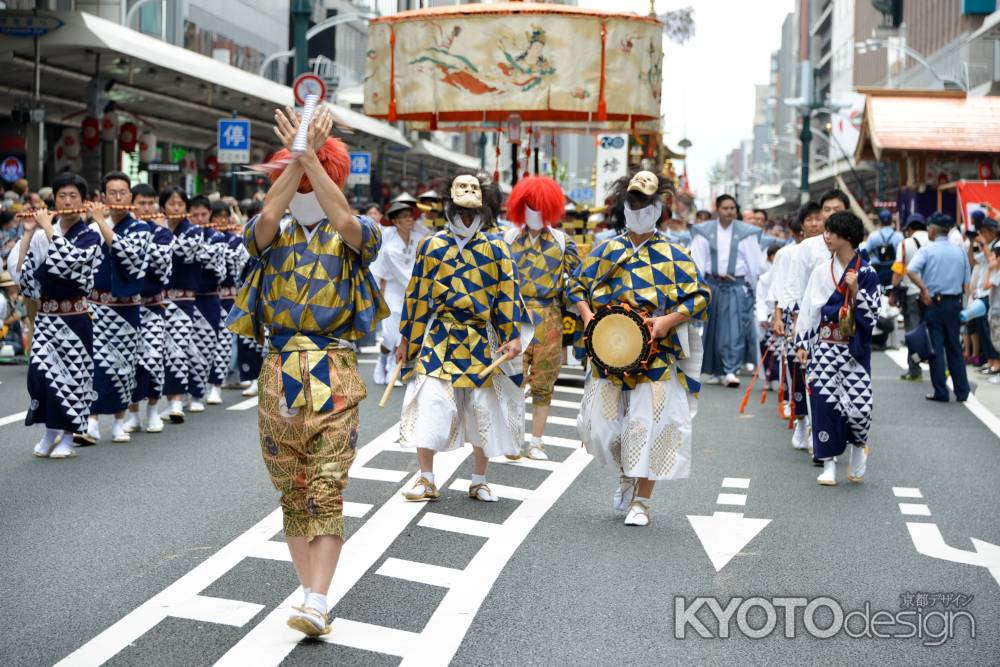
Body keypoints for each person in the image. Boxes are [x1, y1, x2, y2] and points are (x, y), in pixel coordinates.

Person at [225, 105, 386, 638]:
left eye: (312, 176)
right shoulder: (270, 232)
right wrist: (296, 157)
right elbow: (266, 218)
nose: (298, 189)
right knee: (292, 489)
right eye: (293, 178)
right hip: (278, 370)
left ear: (329, 178)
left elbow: (343, 220)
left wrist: (312, 156)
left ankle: (319, 597)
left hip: (333, 367)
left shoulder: (356, 234)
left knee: (327, 484)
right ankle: (308, 593)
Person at [571, 171, 710, 526]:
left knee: (650, 426)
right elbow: (575, 287)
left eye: (645, 204)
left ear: (658, 208)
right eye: (633, 203)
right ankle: (626, 473)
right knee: (604, 430)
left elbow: (701, 296)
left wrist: (667, 322)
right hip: (609, 353)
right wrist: (587, 316)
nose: (638, 209)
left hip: (656, 354)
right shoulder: (607, 249)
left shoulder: (674, 253)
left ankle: (642, 502)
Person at [395, 170, 525, 504]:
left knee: (483, 411)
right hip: (439, 335)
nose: (466, 217)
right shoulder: (432, 245)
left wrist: (512, 335)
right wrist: (407, 338)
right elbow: (417, 296)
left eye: (472, 211)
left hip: (481, 337)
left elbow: (508, 295)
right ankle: (426, 479)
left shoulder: (497, 248)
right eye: (460, 209)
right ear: (449, 207)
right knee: (431, 404)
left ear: (483, 210)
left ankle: (479, 480)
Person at [17, 172, 102, 458]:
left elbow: (70, 263)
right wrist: (30, 231)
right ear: (54, 198)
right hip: (47, 318)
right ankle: (49, 431)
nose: (66, 201)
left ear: (83, 201)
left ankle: (68, 435)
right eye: (61, 196)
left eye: (73, 196)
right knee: (41, 375)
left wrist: (48, 230)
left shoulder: (91, 236)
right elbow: (24, 276)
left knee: (73, 378)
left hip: (75, 318)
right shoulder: (43, 233)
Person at [794, 211, 879, 486]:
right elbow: (809, 309)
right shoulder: (822, 271)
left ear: (848, 237)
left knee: (858, 407)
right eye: (826, 231)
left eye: (832, 232)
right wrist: (803, 344)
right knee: (824, 403)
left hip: (854, 349)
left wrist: (856, 293)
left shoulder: (867, 273)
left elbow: (873, 315)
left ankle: (857, 452)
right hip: (825, 347)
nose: (825, 236)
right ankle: (828, 464)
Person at [503, 175, 580, 460]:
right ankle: (512, 437)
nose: (534, 210)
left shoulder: (563, 242)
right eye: (530, 204)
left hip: (549, 316)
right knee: (513, 378)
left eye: (539, 204)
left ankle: (536, 440)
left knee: (544, 381)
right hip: (516, 315)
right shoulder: (507, 239)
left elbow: (574, 282)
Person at [77, 171, 151, 446]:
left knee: (122, 366)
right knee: (95, 365)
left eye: (123, 192)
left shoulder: (141, 229)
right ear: (104, 197)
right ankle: (92, 422)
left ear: (129, 196)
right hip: (97, 307)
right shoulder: (93, 227)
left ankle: (120, 422)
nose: (118, 197)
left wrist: (99, 222)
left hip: (126, 309)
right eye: (113, 193)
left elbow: (127, 254)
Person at [691, 193, 764, 387]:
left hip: (735, 285)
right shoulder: (704, 231)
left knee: (734, 328)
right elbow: (697, 261)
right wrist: (699, 287)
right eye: (725, 208)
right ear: (717, 209)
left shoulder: (746, 232)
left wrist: (753, 290)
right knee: (712, 328)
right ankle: (716, 370)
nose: (729, 211)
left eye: (732, 208)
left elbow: (753, 264)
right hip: (712, 284)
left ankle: (731, 369)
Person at [771, 202, 823, 446]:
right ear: (801, 225)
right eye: (809, 220)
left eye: (818, 218)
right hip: (798, 320)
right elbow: (785, 286)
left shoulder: (833, 247)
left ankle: (818, 426)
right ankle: (801, 423)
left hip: (825, 320)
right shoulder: (791, 252)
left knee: (821, 376)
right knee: (798, 373)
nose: (814, 224)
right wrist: (779, 316)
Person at [906, 213, 971, 403]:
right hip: (954, 303)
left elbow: (910, 270)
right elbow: (966, 284)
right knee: (954, 348)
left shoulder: (927, 250)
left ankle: (941, 391)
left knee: (936, 348)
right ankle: (962, 391)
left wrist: (923, 289)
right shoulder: (959, 252)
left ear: (933, 230)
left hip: (933, 303)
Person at [124, 183, 173, 434]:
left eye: (150, 202)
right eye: (141, 203)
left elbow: (162, 259)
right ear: (132, 204)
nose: (146, 207)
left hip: (153, 306)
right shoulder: (123, 229)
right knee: (129, 362)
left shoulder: (162, 232)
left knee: (153, 359)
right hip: (126, 308)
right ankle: (133, 414)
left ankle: (153, 411)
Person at [369, 200, 429, 386]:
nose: (409, 219)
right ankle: (383, 362)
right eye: (404, 217)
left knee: (404, 335)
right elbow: (404, 277)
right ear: (395, 221)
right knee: (390, 335)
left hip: (414, 293)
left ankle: (394, 370)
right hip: (396, 293)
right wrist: (426, 288)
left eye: (410, 215)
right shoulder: (389, 248)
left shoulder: (421, 237)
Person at [160, 186, 204, 423]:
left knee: (177, 347)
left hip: (183, 299)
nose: (175, 208)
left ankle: (176, 401)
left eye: (179, 204)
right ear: (163, 207)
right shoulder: (156, 229)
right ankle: (165, 400)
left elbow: (180, 253)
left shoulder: (194, 232)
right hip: (157, 299)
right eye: (171, 204)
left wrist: (159, 233)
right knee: (158, 352)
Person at [190, 195, 227, 408]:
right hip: (186, 299)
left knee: (206, 347)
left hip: (209, 297)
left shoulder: (216, 237)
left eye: (203, 214)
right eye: (194, 215)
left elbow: (215, 268)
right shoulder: (180, 233)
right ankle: (184, 393)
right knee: (183, 348)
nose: (199, 219)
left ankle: (199, 393)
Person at [890, 213, 929, 381]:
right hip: (932, 294)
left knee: (912, 332)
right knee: (934, 331)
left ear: (910, 229)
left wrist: (893, 290)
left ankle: (914, 369)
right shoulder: (934, 240)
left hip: (912, 293)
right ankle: (942, 367)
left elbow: (899, 270)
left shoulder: (905, 244)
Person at [865, 209, 902, 288]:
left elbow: (865, 251)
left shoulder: (873, 236)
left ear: (880, 221)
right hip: (894, 270)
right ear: (891, 221)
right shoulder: (899, 236)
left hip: (878, 270)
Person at [0, 270, 23, 358]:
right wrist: (8, 321)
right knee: (17, 346)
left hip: (6, 333)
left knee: (18, 342)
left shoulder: (12, 300)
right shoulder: (2, 300)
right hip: (2, 333)